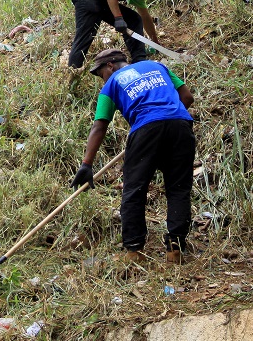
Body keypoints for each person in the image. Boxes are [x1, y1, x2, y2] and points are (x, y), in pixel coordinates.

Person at [70, 49, 195, 265]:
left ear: (110, 66)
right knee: (178, 189)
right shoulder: (157, 66)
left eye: (101, 74)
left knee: (134, 190)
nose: (103, 79)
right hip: (181, 126)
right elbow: (187, 97)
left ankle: (134, 252)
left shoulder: (111, 84)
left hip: (146, 129)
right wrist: (167, 117)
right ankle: (175, 251)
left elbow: (99, 126)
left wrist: (86, 164)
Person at [68, 0, 171, 69]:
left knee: (134, 20)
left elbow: (144, 15)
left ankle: (140, 63)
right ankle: (72, 72)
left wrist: (155, 42)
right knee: (86, 36)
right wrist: (118, 18)